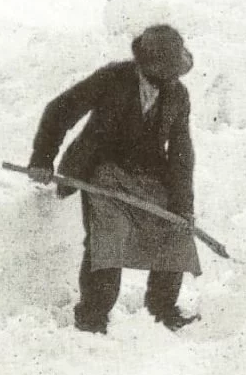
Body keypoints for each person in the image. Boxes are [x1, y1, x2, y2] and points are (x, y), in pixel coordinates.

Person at [26, 24, 201, 333]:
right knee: (109, 236)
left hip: (149, 175)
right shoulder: (113, 79)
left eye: (174, 70)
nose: (171, 77)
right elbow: (59, 111)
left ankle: (162, 309)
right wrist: (42, 159)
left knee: (176, 229)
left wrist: (182, 204)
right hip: (102, 171)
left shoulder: (177, 95)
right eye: (165, 69)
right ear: (146, 64)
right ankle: (92, 316)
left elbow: (181, 153)